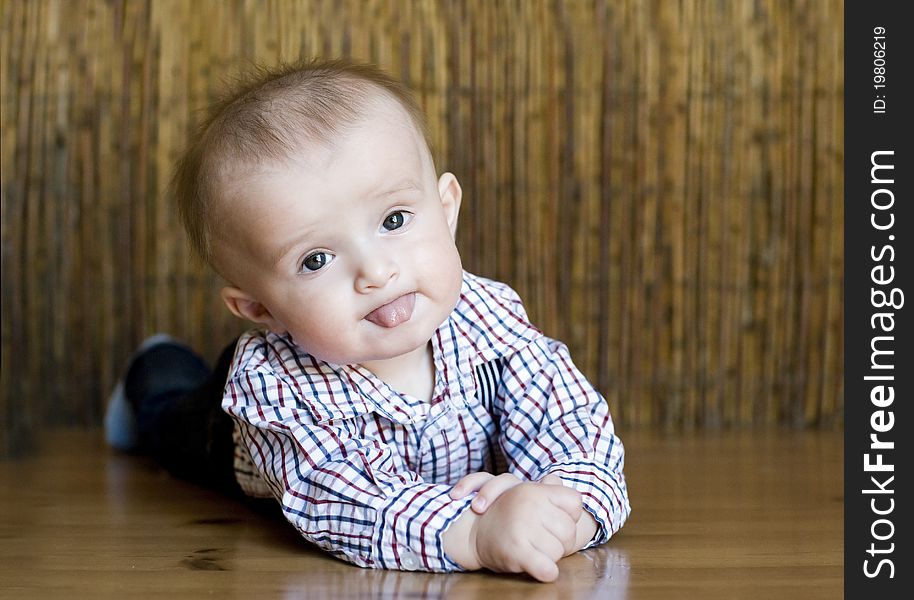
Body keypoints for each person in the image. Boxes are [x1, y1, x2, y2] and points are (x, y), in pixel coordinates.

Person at [106, 58, 630, 583]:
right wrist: (470, 533)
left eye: (393, 220)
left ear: (446, 210)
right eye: (316, 260)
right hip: (222, 432)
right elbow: (342, 500)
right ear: (259, 309)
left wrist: (566, 509)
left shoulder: (487, 315)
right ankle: (152, 368)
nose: (376, 272)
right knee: (168, 417)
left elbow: (568, 422)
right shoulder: (274, 386)